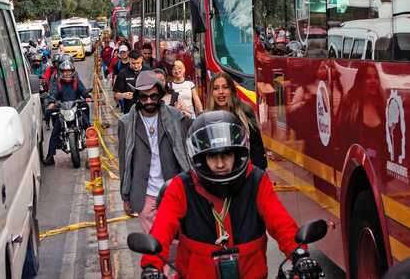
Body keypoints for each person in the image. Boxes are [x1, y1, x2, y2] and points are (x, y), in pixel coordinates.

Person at [140, 111, 324, 279]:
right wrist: (151, 266)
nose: (220, 164)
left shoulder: (256, 180)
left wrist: (299, 255)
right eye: (212, 156)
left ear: (238, 153)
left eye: (226, 154)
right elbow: (162, 229)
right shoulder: (181, 186)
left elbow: (281, 222)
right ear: (200, 157)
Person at [118, 70, 190, 233]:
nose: (149, 101)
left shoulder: (176, 117)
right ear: (137, 97)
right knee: (155, 246)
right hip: (144, 196)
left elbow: (186, 153)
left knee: (176, 244)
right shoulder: (126, 123)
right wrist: (125, 195)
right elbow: (124, 162)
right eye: (144, 97)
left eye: (153, 96)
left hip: (173, 193)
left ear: (160, 95)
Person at [207, 72, 267, 169]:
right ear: (211, 93)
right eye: (216, 88)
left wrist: (257, 174)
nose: (220, 91)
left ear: (231, 90)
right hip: (218, 173)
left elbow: (257, 147)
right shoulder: (206, 118)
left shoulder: (246, 111)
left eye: (225, 87)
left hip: (246, 172)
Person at [43, 60, 91, 166]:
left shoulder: (76, 82)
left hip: (76, 109)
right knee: (55, 132)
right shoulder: (58, 84)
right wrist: (51, 102)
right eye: (65, 71)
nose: (67, 73)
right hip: (63, 111)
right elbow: (53, 94)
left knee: (89, 128)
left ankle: (92, 156)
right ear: (61, 72)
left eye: (69, 71)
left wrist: (87, 97)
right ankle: (50, 156)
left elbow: (83, 91)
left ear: (73, 71)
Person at [113, 49, 147, 114]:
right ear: (129, 60)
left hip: (146, 109)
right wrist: (123, 95)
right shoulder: (123, 73)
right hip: (129, 110)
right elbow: (115, 94)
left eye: (138, 63)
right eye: (133, 63)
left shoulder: (148, 71)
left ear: (142, 59)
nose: (136, 66)